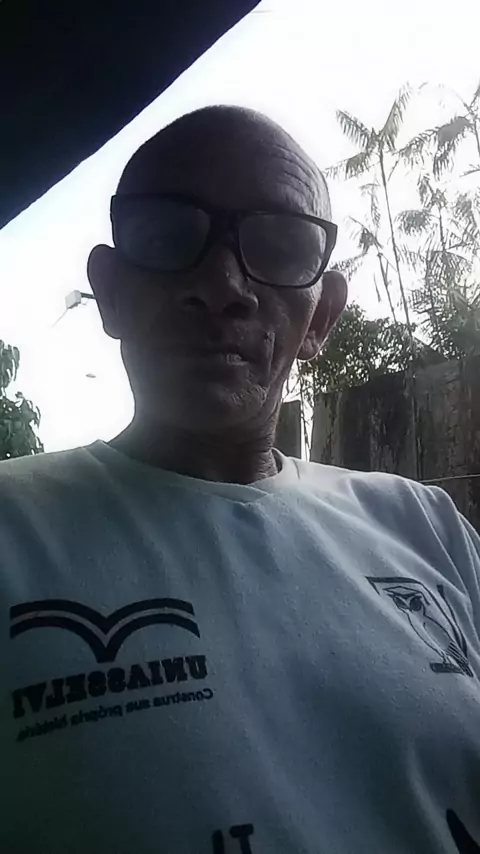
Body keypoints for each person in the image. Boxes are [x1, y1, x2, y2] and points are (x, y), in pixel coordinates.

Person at [1, 106, 479, 854]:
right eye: (170, 238)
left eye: (281, 247)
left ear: (321, 319)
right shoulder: (13, 531)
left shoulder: (427, 527)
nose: (223, 285)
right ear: (111, 292)